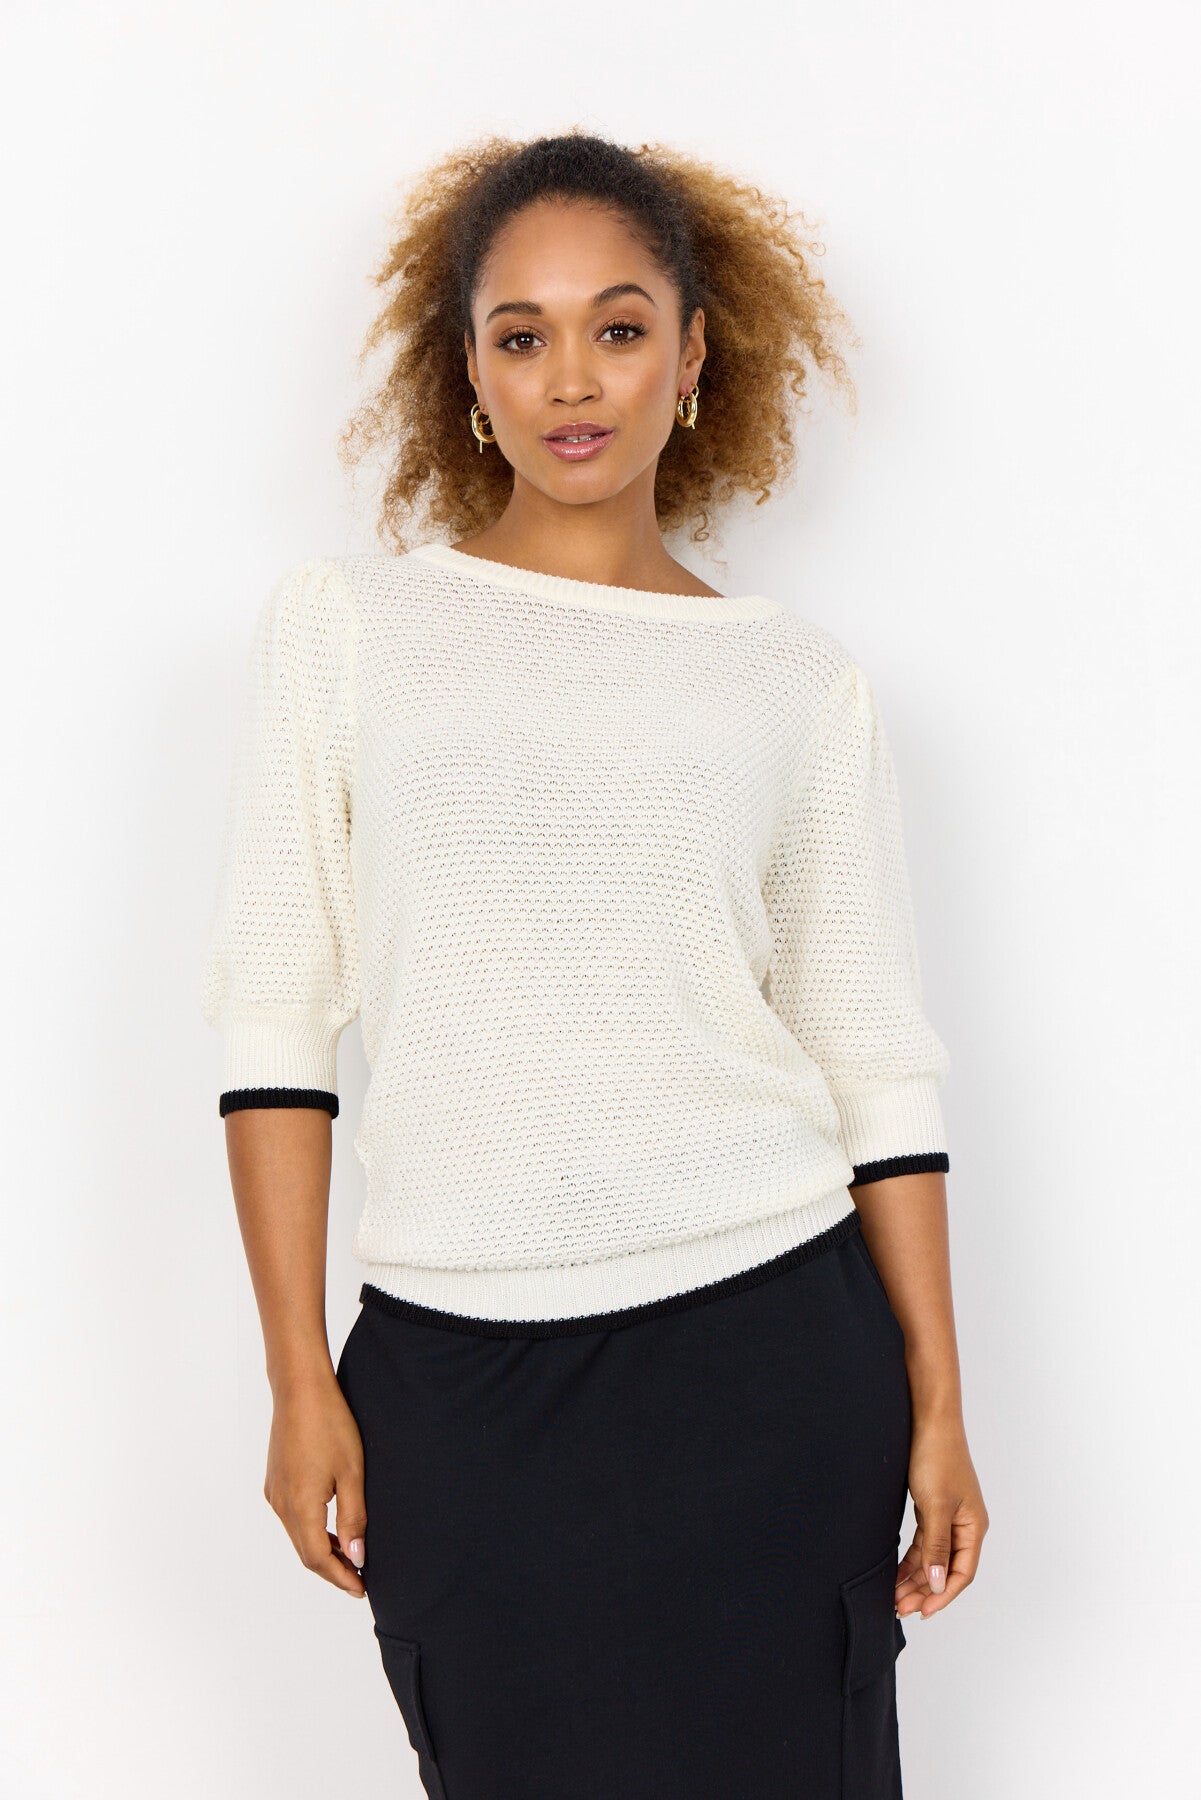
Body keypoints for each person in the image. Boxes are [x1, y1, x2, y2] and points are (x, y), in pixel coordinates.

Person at [200, 129, 989, 1799]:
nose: (571, 378)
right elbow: (275, 1018)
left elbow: (872, 1060)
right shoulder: (348, 629)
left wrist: (938, 1401)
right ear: (467, 371)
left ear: (692, 357)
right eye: (521, 333)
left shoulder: (793, 680)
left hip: (772, 1357)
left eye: (619, 328)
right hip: (457, 1385)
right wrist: (295, 1378)